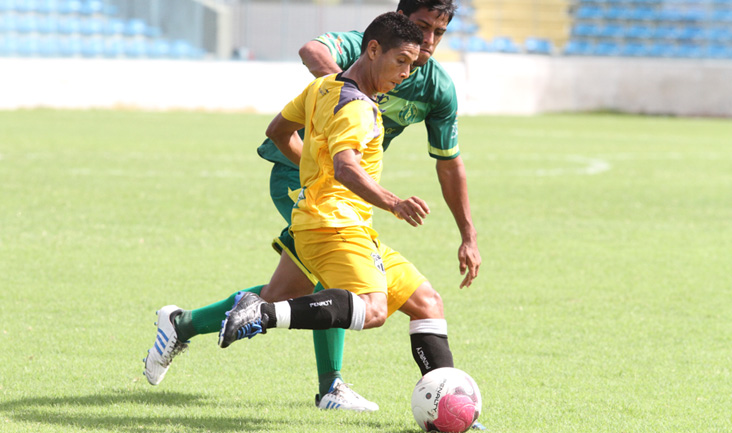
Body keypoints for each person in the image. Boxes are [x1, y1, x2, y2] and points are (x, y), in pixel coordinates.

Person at [144, 0, 481, 416]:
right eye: (412, 43)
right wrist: (379, 193)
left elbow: (278, 131)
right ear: (375, 46)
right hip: (329, 210)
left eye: (437, 35)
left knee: (417, 300)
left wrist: (468, 234)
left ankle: (182, 324)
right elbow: (340, 157)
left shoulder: (360, 89)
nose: (422, 50)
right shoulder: (357, 96)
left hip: (344, 207)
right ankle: (329, 385)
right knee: (353, 299)